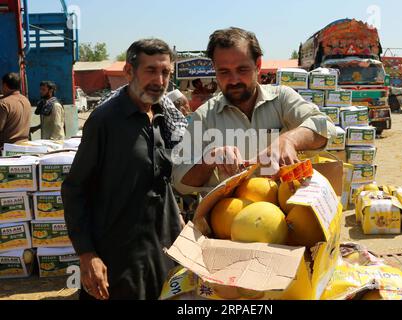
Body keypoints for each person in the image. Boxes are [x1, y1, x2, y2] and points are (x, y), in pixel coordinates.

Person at [61, 39, 188, 300]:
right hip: (116, 259)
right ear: (129, 72)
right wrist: (87, 255)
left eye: (166, 73)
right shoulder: (105, 121)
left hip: (160, 255)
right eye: (151, 70)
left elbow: (160, 184)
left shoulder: (163, 117)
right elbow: (74, 189)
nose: (160, 80)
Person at [172, 27, 336, 195]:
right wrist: (208, 159)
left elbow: (326, 127)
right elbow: (179, 181)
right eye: (224, 72)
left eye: (242, 69)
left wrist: (289, 140)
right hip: (229, 216)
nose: (234, 80)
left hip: (285, 213)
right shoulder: (204, 116)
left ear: (258, 65)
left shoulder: (282, 99)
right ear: (214, 69)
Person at [0, 73, 32, 149]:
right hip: (24, 146)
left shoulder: (3, 103)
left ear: (4, 85)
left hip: (7, 148)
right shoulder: (26, 100)